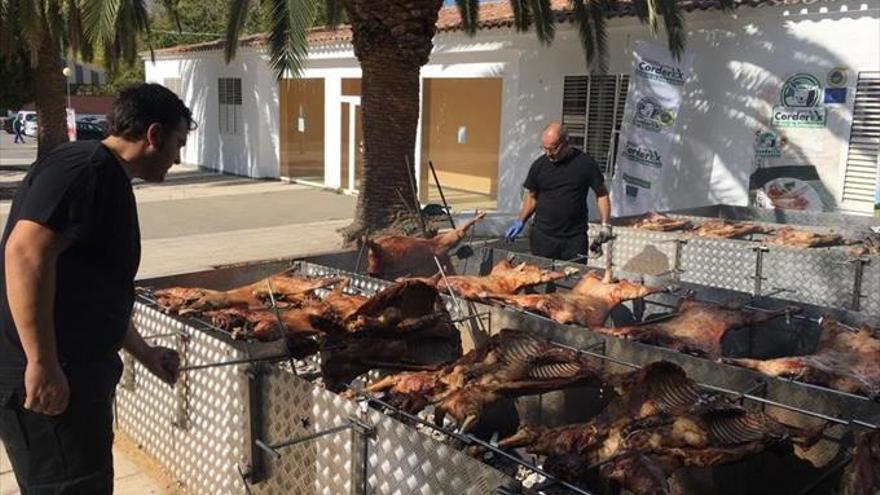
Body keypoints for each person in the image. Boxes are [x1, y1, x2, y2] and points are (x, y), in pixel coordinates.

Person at [0, 83, 195, 494]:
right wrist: (42, 362)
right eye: (178, 143)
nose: (178, 158)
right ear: (153, 135)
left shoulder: (103, 174)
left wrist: (144, 353)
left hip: (73, 374)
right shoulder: (85, 169)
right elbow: (24, 254)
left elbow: (92, 289)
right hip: (51, 379)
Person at [504, 122, 612, 260]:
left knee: (573, 279)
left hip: (574, 239)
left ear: (566, 142)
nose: (548, 154)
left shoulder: (586, 164)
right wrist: (520, 221)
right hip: (543, 237)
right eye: (544, 149)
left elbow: (601, 194)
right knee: (541, 277)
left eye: (553, 149)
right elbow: (531, 197)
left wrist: (605, 224)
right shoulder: (539, 166)